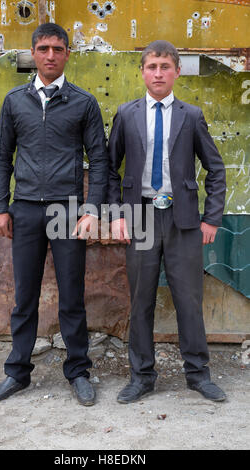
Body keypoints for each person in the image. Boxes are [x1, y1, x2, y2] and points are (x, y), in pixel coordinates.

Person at [0, 23, 108, 406]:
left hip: (67, 211)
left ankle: (78, 371)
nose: (51, 55)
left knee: (71, 297)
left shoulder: (83, 103)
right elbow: (2, 157)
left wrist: (91, 210)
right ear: (33, 53)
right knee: (25, 297)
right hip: (24, 210)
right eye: (43, 49)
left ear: (68, 53)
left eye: (58, 49)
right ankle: (17, 372)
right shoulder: (15, 101)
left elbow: (101, 161)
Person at [108, 40, 227, 403]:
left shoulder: (190, 116)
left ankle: (198, 374)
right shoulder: (126, 114)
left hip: (184, 220)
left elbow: (216, 169)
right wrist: (115, 215)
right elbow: (110, 169)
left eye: (164, 66)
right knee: (141, 298)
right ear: (142, 72)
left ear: (176, 71)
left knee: (188, 299)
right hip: (140, 216)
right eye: (151, 67)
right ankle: (142, 376)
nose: (158, 73)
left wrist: (211, 219)